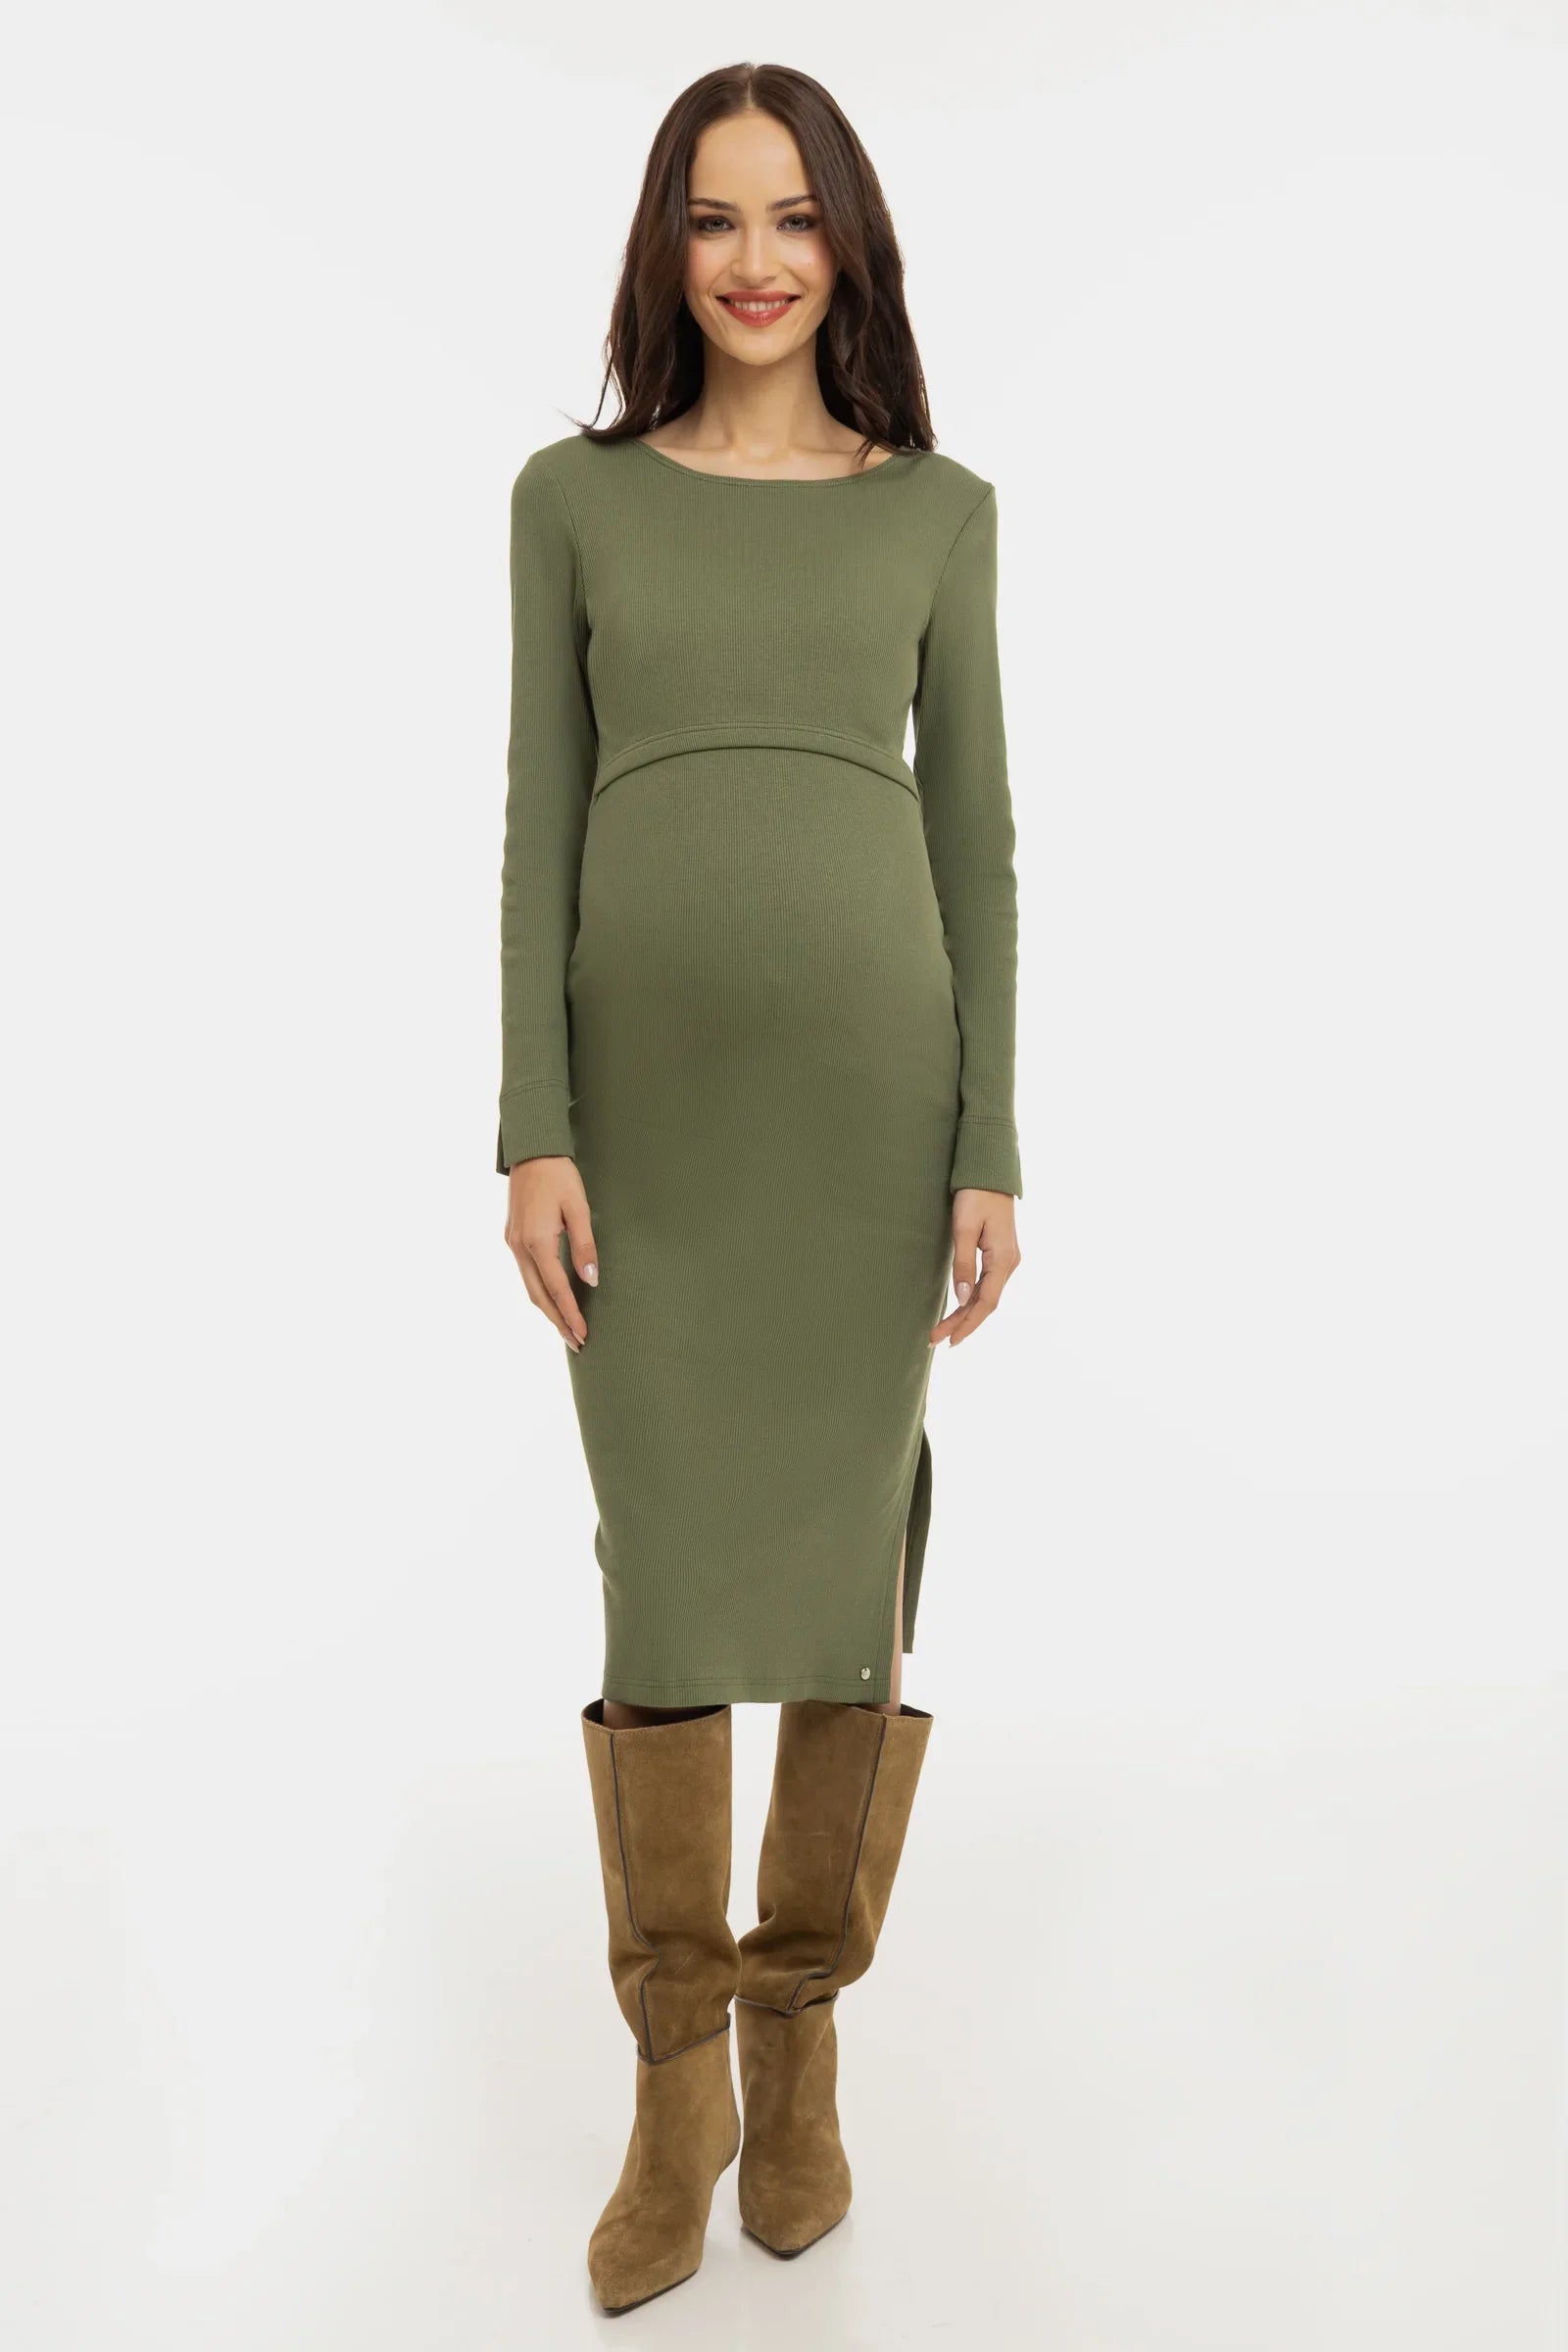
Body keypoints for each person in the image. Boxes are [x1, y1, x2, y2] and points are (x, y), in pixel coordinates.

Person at [497, 60, 1024, 2315]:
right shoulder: (572, 498)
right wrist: (531, 1121)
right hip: (648, 1123)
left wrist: (987, 1141)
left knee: (838, 1589)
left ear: (847, 247)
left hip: (865, 1117)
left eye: (793, 216)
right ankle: (675, 2085)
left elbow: (973, 842)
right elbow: (537, 814)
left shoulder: (935, 513)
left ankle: (796, 2050)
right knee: (662, 1593)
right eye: (713, 218)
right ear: (665, 245)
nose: (753, 260)